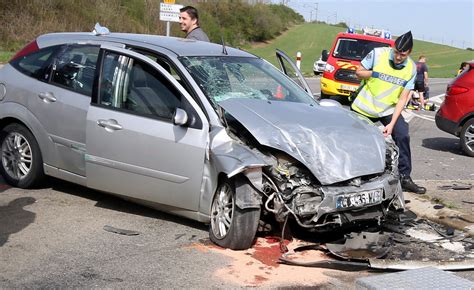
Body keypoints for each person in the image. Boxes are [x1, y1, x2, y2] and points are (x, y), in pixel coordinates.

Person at [351, 31, 426, 194]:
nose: (398, 57)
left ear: (409, 53)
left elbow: (402, 99)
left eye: (403, 54)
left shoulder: (411, 68)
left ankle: (405, 177)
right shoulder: (378, 54)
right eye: (397, 52)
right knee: (355, 139)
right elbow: (358, 72)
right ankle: (352, 174)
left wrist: (391, 125)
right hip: (364, 107)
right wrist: (374, 73)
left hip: (387, 109)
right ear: (393, 47)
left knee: (403, 134)